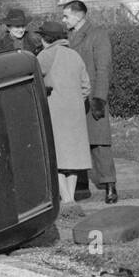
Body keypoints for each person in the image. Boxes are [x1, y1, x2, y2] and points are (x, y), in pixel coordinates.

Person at [61, 0, 117, 203]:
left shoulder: (97, 34)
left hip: (93, 96)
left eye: (66, 15)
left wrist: (99, 98)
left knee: (100, 142)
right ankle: (81, 185)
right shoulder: (67, 37)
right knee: (77, 141)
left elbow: (104, 68)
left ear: (78, 15)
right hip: (73, 97)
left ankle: (110, 185)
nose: (63, 19)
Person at [35, 20, 91, 208]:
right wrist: (75, 100)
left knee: (56, 155)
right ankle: (71, 198)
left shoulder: (45, 55)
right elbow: (86, 87)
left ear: (45, 39)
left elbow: (35, 82)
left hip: (54, 110)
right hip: (75, 112)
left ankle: (66, 198)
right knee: (73, 156)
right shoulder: (75, 55)